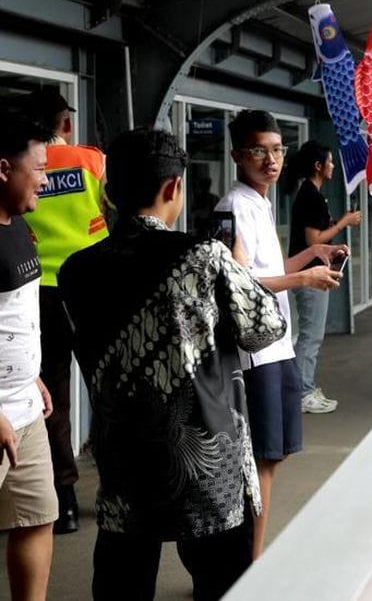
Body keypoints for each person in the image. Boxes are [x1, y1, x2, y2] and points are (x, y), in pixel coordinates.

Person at [57, 128, 286, 600]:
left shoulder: (76, 270)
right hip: (208, 464)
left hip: (123, 462)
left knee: (122, 583)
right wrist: (236, 270)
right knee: (224, 583)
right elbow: (265, 328)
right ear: (173, 187)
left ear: (109, 192)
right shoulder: (204, 256)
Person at [216, 110, 344, 558]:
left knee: (274, 455)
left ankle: (249, 558)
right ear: (237, 155)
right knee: (262, 459)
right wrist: (303, 280)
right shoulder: (234, 207)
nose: (271, 160)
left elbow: (269, 270)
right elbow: (237, 282)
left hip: (277, 346)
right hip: (256, 353)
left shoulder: (260, 201)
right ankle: (249, 564)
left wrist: (312, 254)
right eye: (259, 151)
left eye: (277, 150)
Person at [19, 86, 107, 535]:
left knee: (51, 396)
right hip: (92, 288)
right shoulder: (91, 161)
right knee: (108, 388)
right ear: (65, 123)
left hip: (39, 293)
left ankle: (65, 500)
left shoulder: (19, 166)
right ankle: (116, 489)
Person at [0, 114, 56, 601]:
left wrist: (30, 375)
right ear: (3, 168)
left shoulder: (18, 222)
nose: (45, 179)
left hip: (25, 407)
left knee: (37, 517)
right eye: (38, 168)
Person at [283, 140, 362, 414]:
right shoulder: (311, 196)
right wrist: (344, 222)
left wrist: (334, 246)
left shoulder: (311, 193)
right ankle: (302, 393)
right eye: (329, 161)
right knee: (311, 336)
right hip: (310, 274)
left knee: (311, 334)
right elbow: (313, 240)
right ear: (318, 166)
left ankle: (305, 387)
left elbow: (317, 238)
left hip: (313, 271)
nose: (333, 166)